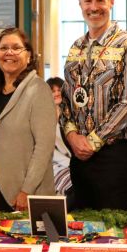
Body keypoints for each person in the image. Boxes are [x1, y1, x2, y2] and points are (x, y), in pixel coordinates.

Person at [60, 0, 127, 210]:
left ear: (111, 2)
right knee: (80, 224)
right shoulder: (75, 47)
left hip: (114, 155)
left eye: (100, 0)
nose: (93, 7)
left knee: (111, 228)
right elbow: (67, 100)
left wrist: (93, 141)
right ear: (80, 5)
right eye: (87, 2)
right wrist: (72, 136)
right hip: (78, 155)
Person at [0, 28, 56, 212]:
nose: (9, 52)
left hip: (21, 192)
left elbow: (44, 147)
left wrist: (27, 190)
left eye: (16, 48)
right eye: (3, 48)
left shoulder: (39, 90)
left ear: (28, 56)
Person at [46, 77, 73, 205]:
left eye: (59, 90)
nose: (57, 93)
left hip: (74, 162)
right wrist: (70, 164)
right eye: (53, 91)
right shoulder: (44, 118)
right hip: (55, 164)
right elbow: (49, 150)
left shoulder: (72, 114)